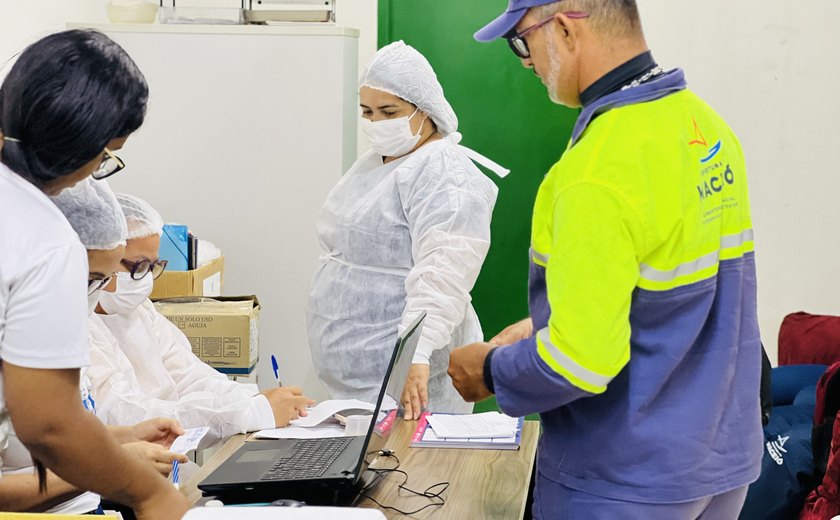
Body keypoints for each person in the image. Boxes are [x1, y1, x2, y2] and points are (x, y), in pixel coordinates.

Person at [448, 1, 762, 517]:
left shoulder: (594, 170)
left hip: (625, 479)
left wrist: (491, 370)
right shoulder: (705, 129)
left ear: (566, 28)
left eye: (523, 41)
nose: (527, 61)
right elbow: (687, 294)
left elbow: (581, 362)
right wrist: (549, 321)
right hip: (719, 462)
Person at [0, 29, 188, 519]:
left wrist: (115, 443)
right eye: (105, 157)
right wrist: (148, 493)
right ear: (81, 146)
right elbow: (50, 426)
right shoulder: (40, 233)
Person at [306, 41, 506, 419]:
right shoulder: (375, 163)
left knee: (417, 475)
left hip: (409, 374)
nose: (376, 122)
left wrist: (418, 351)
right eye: (366, 111)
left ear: (424, 109)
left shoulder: (443, 173)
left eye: (389, 111)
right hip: (359, 375)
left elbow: (444, 270)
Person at [0, 178, 189, 514]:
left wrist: (128, 435)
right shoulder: (14, 342)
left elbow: (63, 431)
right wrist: (109, 468)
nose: (103, 290)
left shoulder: (58, 329)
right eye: (91, 279)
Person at [87, 192, 314, 448]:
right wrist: (249, 413)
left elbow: (191, 376)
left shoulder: (140, 311)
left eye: (153, 267)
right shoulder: (78, 328)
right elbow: (124, 416)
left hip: (165, 462)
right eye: (138, 267)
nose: (146, 279)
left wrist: (253, 399)